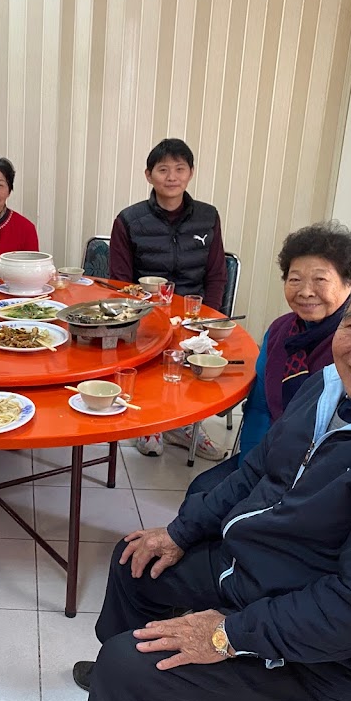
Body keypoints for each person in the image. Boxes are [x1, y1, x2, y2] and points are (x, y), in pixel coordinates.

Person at [73, 261, 351, 701]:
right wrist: (180, 532)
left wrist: (228, 635)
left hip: (324, 653)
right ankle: (129, 700)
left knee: (130, 670)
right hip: (258, 570)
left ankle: (127, 687)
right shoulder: (333, 384)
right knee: (135, 558)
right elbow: (258, 470)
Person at [189, 222, 351, 495]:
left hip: (325, 476)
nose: (305, 291)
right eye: (295, 279)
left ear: (349, 282)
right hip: (271, 458)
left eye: (320, 280)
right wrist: (250, 473)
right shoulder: (280, 331)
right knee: (201, 492)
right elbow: (260, 408)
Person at [113, 139, 227, 460]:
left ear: (191, 173)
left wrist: (208, 317)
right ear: (149, 175)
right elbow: (120, 281)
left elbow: (217, 273)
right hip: (146, 314)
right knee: (153, 351)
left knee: (194, 349)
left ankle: (187, 425)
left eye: (180, 169)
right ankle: (151, 422)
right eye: (163, 169)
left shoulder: (208, 217)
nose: (172, 176)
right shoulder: (129, 220)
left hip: (196, 313)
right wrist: (142, 312)